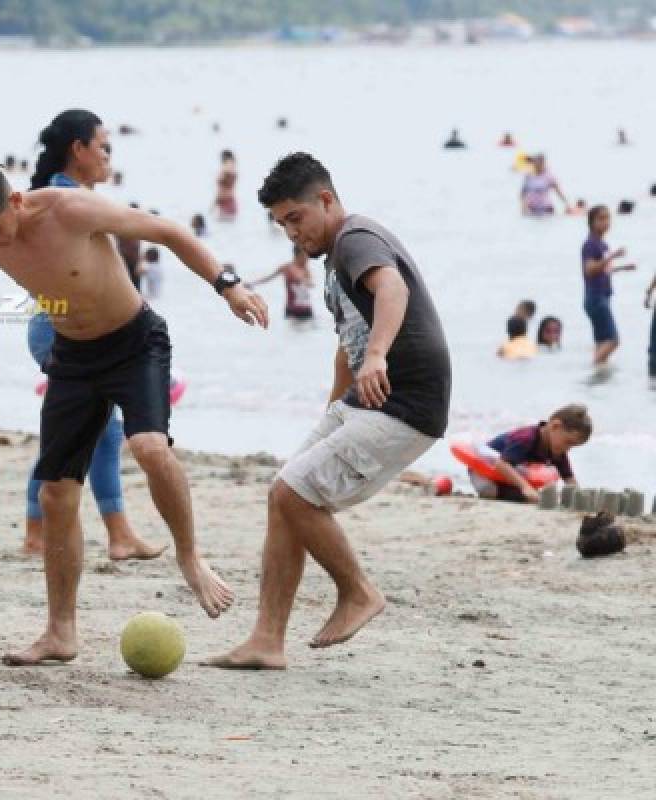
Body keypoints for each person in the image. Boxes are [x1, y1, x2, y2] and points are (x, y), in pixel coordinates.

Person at [0, 156, 270, 666]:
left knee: (148, 446)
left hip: (134, 343)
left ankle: (190, 557)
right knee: (56, 494)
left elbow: (168, 232)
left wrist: (229, 285)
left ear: (15, 201)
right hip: (73, 359)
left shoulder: (73, 210)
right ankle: (60, 632)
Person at [208, 152, 451, 670]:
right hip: (364, 402)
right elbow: (348, 343)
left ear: (326, 199)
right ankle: (267, 641)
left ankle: (359, 591)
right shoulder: (334, 261)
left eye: (296, 218)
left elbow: (393, 288)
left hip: (406, 404)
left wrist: (381, 355)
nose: (292, 233)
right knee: (284, 498)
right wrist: (334, 409)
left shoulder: (356, 239)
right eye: (281, 225)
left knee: (293, 494)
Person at [20, 109, 162, 561]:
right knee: (90, 433)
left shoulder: (65, 196)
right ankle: (101, 533)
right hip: (59, 328)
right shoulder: (64, 199)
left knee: (90, 433)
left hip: (61, 325)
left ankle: (58, 532)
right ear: (77, 150)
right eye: (102, 146)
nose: (107, 156)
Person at [469, 406, 589, 503]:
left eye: (572, 446)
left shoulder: (558, 449)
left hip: (511, 473)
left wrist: (580, 498)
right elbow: (501, 464)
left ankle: (513, 492)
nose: (568, 449)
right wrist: (526, 488)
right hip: (484, 468)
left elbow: (568, 477)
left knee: (532, 496)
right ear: (555, 426)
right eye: (568, 442)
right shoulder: (526, 438)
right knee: (488, 491)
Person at [582, 204, 636, 366]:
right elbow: (590, 270)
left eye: (608, 218)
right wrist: (613, 255)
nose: (606, 222)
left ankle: (599, 379)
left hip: (603, 296)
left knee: (601, 342)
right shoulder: (590, 244)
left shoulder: (602, 244)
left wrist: (622, 268)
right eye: (602, 218)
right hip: (596, 297)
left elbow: (603, 270)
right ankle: (593, 368)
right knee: (613, 340)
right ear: (591, 222)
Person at [246, 245, 315, 321]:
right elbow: (269, 277)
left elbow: (311, 284)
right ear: (298, 255)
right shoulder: (287, 267)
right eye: (305, 256)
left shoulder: (305, 269)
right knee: (293, 331)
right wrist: (252, 284)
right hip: (293, 308)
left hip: (306, 308)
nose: (308, 259)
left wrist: (305, 280)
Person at [214, 150, 238, 220]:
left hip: (227, 201)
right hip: (224, 201)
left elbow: (230, 173)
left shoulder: (228, 166)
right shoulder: (228, 168)